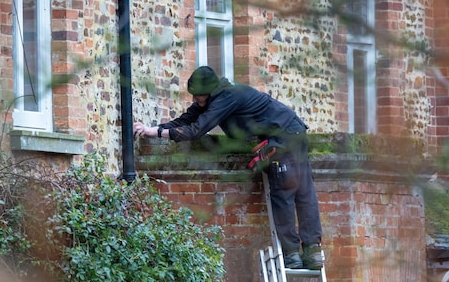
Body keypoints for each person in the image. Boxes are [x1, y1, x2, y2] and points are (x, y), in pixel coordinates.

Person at [133, 66, 324, 270]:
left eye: (197, 96)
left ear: (208, 91)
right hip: (290, 130)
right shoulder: (212, 98)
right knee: (301, 190)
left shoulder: (227, 98)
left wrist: (156, 133)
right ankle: (307, 251)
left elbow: (197, 130)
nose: (195, 100)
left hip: (285, 136)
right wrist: (155, 129)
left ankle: (296, 253)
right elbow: (186, 120)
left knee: (287, 191)